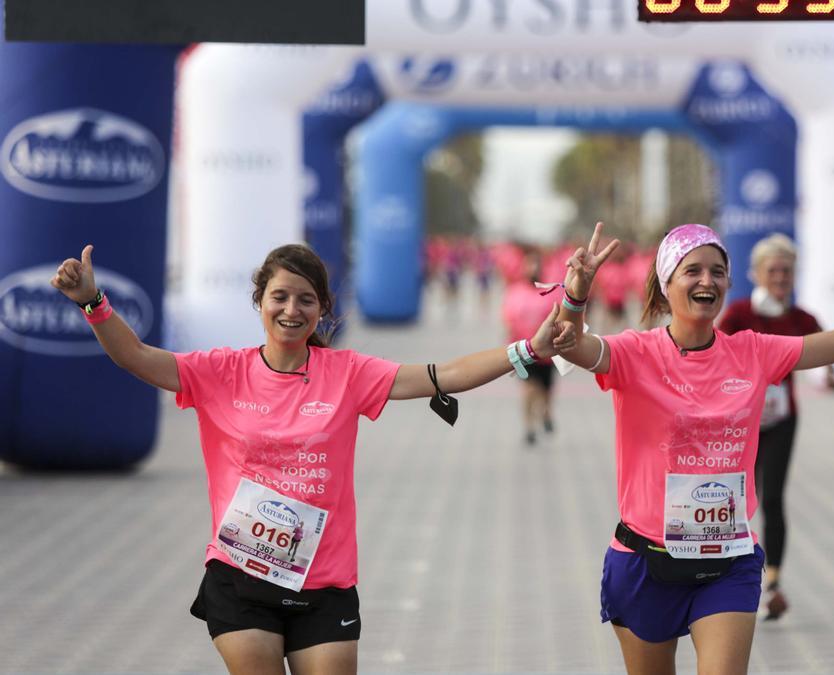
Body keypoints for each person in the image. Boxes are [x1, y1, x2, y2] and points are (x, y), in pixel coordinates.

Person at [50, 242, 574, 675]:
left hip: (324, 584)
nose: (291, 310)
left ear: (322, 309)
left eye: (305, 300)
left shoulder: (347, 372)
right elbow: (137, 357)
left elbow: (446, 374)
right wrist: (92, 301)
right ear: (259, 302)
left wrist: (527, 349)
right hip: (241, 579)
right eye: (279, 297)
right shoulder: (220, 371)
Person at [553, 221, 834, 674]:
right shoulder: (634, 353)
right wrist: (576, 295)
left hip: (726, 560)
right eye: (692, 270)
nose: (706, 281)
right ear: (666, 282)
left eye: (717, 271)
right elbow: (569, 344)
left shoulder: (753, 351)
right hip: (645, 561)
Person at [717, 233, 834, 621]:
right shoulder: (738, 315)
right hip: (741, 424)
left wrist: (831, 374)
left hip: (783, 419)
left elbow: (829, 345)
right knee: (738, 499)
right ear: (756, 274)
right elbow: (714, 352)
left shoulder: (801, 318)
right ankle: (727, 575)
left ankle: (774, 583)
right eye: (773, 270)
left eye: (787, 270)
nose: (781, 277)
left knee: (773, 500)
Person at [501, 246, 561, 446]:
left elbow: (560, 317)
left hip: (548, 352)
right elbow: (507, 319)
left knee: (545, 392)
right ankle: (529, 427)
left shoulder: (550, 291)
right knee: (528, 389)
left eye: (537, 264)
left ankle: (545, 414)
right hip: (523, 350)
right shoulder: (515, 292)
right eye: (530, 264)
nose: (533, 268)